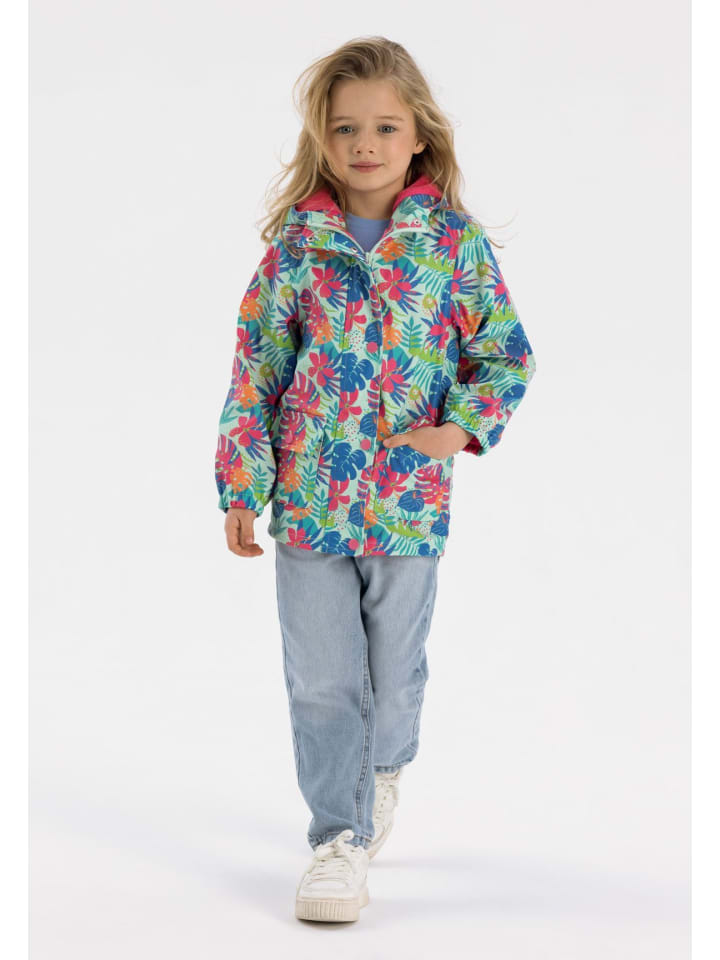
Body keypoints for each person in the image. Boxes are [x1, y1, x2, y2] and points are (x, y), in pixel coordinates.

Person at [214, 36, 537, 923]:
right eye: (345, 127)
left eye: (385, 127)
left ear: (419, 136)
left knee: (393, 679)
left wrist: (456, 431)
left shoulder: (452, 246)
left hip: (405, 502)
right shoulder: (296, 249)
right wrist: (243, 484)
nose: (365, 144)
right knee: (322, 680)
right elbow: (256, 373)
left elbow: (506, 354)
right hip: (309, 504)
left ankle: (380, 768)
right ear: (321, 138)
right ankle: (337, 839)